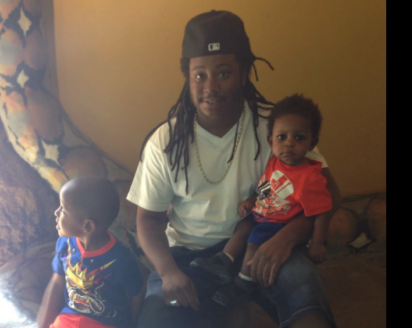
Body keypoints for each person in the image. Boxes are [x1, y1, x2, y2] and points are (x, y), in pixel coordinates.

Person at [126, 10, 341, 328]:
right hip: (190, 256)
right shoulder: (166, 141)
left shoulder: (278, 128)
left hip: (263, 242)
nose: (210, 86)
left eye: (223, 73)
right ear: (188, 77)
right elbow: (148, 219)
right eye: (200, 75)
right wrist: (168, 271)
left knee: (306, 299)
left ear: (243, 74)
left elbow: (329, 193)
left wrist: (288, 238)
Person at [190, 94, 333, 305]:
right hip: (261, 214)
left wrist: (317, 244)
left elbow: (322, 211)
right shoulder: (275, 162)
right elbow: (268, 185)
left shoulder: (310, 178)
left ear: (313, 142)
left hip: (278, 225)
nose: (289, 144)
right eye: (282, 137)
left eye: (299, 138)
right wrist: (253, 199)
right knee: (242, 228)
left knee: (253, 244)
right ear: (271, 141)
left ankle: (242, 283)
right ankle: (223, 260)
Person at [37, 177, 146, 328]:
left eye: (63, 210)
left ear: (87, 225)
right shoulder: (64, 243)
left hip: (107, 323)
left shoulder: (122, 260)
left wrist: (133, 323)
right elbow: (57, 282)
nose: (56, 212)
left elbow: (137, 294)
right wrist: (41, 324)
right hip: (69, 317)